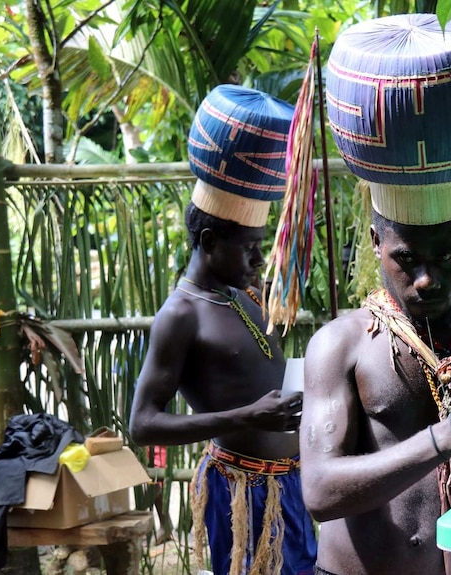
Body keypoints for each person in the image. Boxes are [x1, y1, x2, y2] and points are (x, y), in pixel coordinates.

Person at [300, 14, 451, 575]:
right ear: (377, 242)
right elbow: (318, 488)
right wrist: (449, 436)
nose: (426, 279)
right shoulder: (341, 346)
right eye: (405, 260)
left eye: (446, 257)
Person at [129, 85, 317, 575]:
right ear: (209, 242)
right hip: (239, 491)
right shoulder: (180, 314)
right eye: (249, 247)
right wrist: (248, 416)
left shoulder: (244, 293)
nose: (260, 260)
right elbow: (143, 423)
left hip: (291, 485)